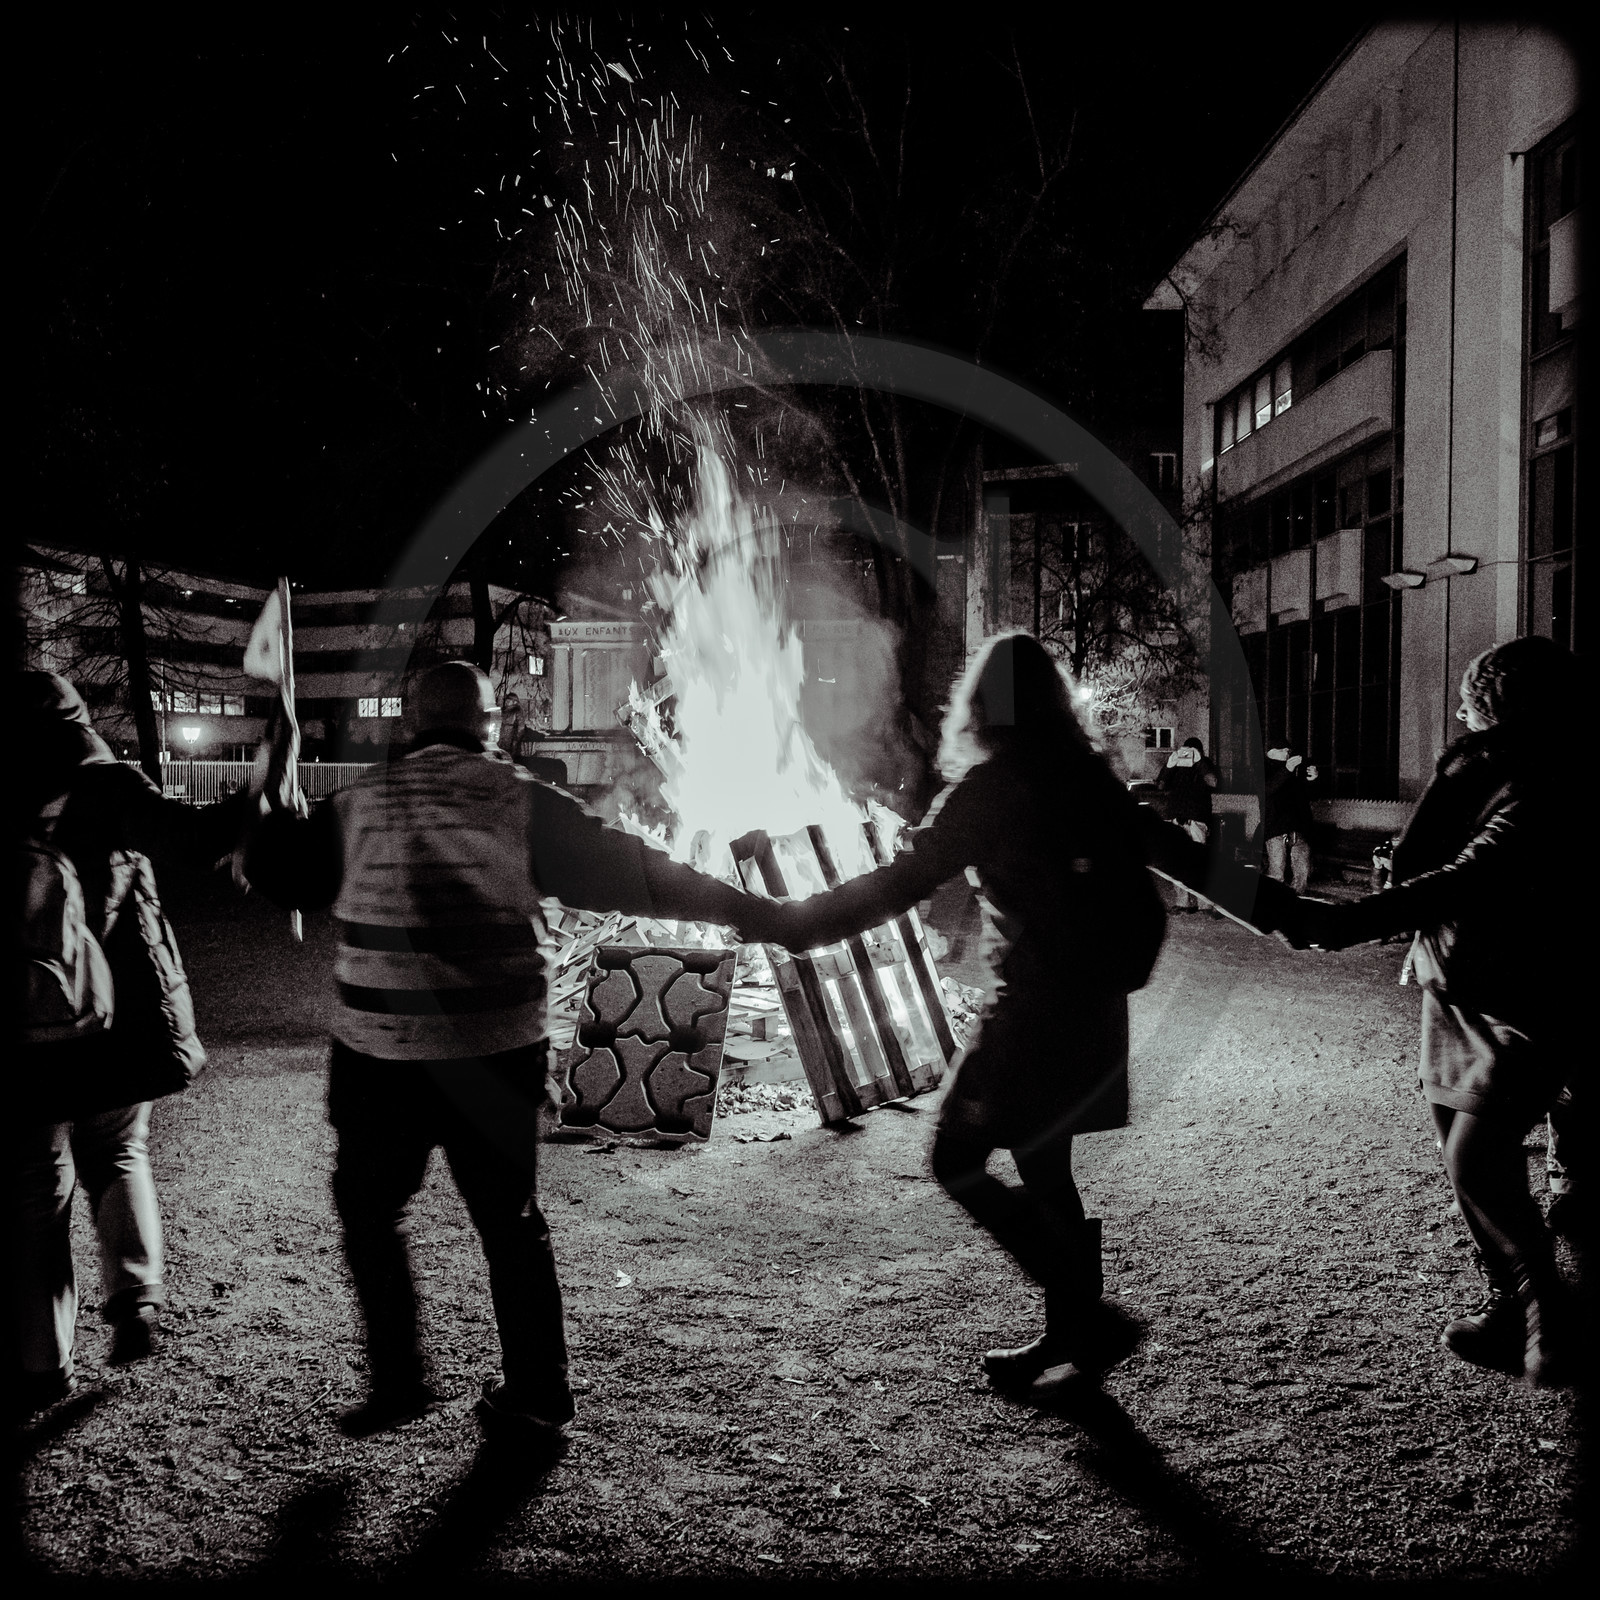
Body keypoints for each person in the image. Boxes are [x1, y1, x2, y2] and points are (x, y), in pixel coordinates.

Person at [242, 661, 781, 1444]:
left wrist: (268, 787)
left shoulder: (359, 804)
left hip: (379, 1057)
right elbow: (641, 876)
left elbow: (281, 876)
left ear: (409, 723)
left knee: (371, 1212)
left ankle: (398, 1379)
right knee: (510, 1221)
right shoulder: (519, 802)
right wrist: (753, 912)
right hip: (494, 1052)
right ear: (489, 725)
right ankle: (538, 1392)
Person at [765, 633, 1168, 1399]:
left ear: (979, 704)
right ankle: (1071, 1339)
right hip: (1094, 1013)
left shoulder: (994, 787)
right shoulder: (1091, 779)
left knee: (956, 1157)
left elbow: (901, 883)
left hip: (1031, 1017)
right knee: (1049, 1173)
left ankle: (1090, 1318)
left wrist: (792, 921)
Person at [1296, 637, 1582, 1386]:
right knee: (1460, 1148)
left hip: (1522, 990)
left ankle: (1544, 1311)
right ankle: (1508, 1306)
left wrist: (1344, 920)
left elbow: (1472, 873)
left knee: (1477, 1156)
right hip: (1457, 980)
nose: (1463, 714)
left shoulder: (1545, 777)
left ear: (1498, 704)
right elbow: (1439, 867)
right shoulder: (1484, 769)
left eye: (1472, 702)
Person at [14, 673, 241, 1417]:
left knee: (35, 1192)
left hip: (25, 1025)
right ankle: (134, 1299)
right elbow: (194, 837)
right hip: (116, 1020)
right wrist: (263, 797)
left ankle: (42, 1360)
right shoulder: (104, 784)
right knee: (118, 1151)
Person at [1155, 736, 1219, 912]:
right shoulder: (1177, 767)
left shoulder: (1205, 764)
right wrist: (1170, 764)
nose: (1187, 756)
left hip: (1196, 821)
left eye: (1191, 752)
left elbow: (1213, 782)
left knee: (1198, 862)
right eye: (1185, 751)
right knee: (1177, 863)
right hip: (1177, 819)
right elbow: (1160, 785)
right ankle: (1183, 903)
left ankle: (1204, 904)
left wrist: (1199, 762)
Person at [1262, 744, 1317, 892]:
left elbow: (1307, 796)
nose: (1287, 752)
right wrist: (1287, 770)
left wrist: (1312, 780)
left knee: (1301, 876)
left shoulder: (1294, 771)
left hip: (1299, 829)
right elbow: (1267, 789)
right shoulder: (1263, 768)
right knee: (1276, 874)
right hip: (1276, 830)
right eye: (1283, 749)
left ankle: (1294, 908)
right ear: (1271, 752)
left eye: (1288, 750)